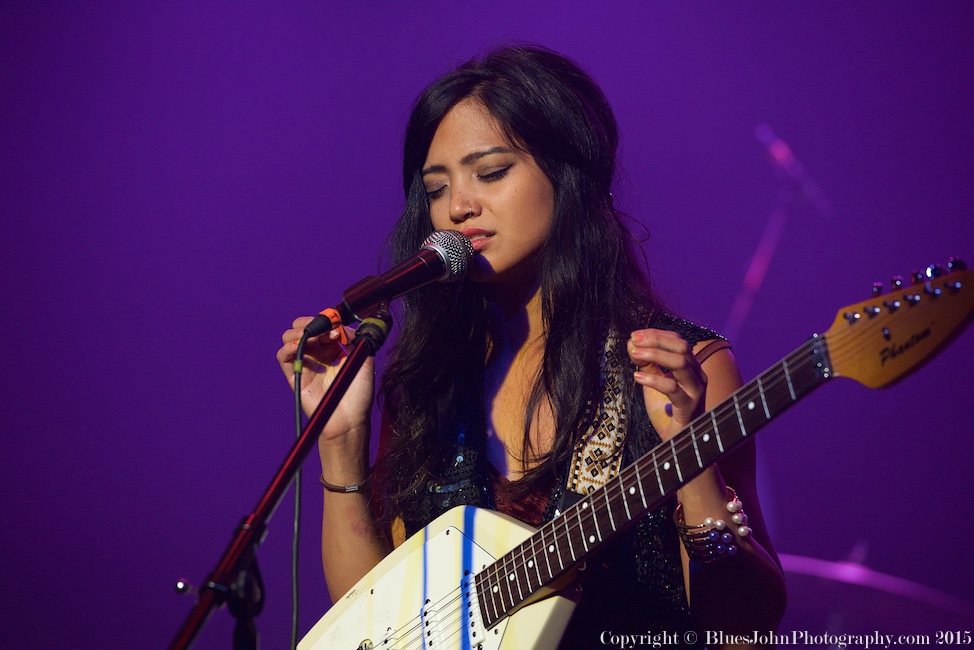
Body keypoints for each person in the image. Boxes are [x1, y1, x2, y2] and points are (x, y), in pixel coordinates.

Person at [277, 44, 786, 648]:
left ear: (570, 175)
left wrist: (690, 461)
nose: (459, 206)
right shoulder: (433, 387)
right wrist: (339, 444)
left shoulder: (683, 368)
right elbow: (378, 631)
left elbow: (746, 625)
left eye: (490, 173)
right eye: (437, 189)